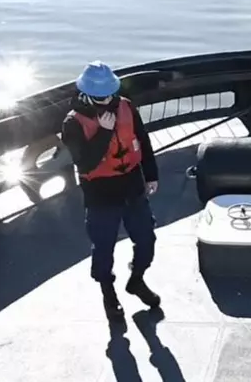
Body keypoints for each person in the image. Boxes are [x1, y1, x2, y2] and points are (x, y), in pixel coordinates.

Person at [60, 60, 161, 323]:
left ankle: (137, 279)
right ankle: (108, 293)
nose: (107, 100)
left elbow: (143, 139)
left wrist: (151, 175)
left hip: (132, 186)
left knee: (147, 239)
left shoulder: (126, 106)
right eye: (100, 96)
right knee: (104, 248)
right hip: (101, 195)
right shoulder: (73, 123)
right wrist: (104, 133)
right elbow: (85, 163)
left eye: (110, 94)